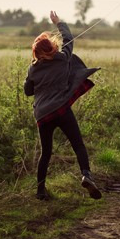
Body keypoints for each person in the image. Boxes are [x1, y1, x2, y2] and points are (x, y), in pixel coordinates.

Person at [24, 11, 102, 201]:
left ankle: (41, 191)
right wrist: (58, 22)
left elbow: (28, 92)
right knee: (78, 145)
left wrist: (32, 76)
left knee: (46, 153)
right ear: (52, 47)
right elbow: (68, 38)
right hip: (61, 110)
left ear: (36, 52)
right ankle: (86, 175)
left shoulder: (33, 69)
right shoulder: (63, 58)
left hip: (43, 115)